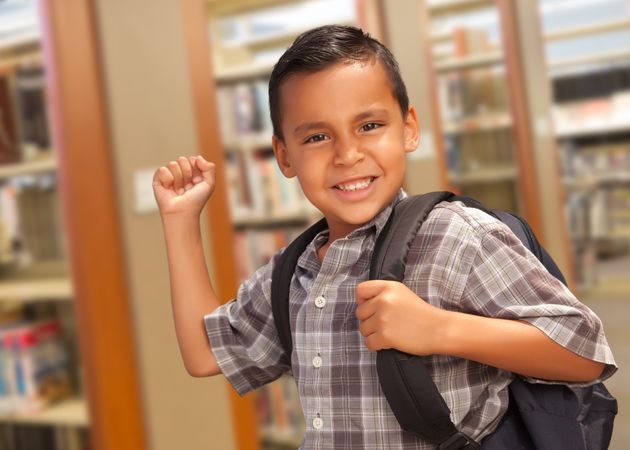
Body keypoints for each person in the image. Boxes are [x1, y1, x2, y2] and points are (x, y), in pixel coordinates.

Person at [152, 25, 616, 449]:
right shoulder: (294, 272)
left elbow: (585, 351)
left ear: (408, 128)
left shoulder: (456, 236)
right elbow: (206, 354)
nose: (348, 154)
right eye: (316, 137)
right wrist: (180, 220)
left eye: (369, 126)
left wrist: (439, 329)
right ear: (284, 156)